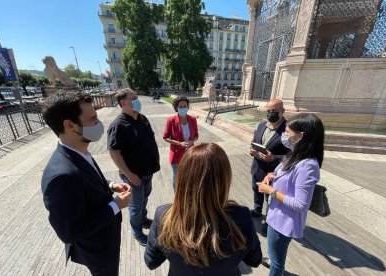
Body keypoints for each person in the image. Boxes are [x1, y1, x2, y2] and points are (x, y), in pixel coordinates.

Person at [41, 92, 132, 276]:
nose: (98, 123)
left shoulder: (77, 152)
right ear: (69, 125)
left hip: (104, 239)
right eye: (93, 118)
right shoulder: (62, 176)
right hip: (97, 250)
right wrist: (116, 205)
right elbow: (70, 232)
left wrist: (110, 185)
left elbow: (87, 181)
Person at [145, 143, 262, 275]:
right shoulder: (241, 217)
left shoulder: (163, 216)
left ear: (182, 178)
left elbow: (151, 261)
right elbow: (255, 260)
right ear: (224, 180)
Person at [257, 113, 325, 275]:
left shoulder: (308, 165)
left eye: (288, 132)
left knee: (277, 261)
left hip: (283, 222)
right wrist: (271, 176)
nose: (284, 136)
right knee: (274, 254)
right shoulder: (294, 153)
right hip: (276, 214)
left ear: (300, 135)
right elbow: (283, 174)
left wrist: (271, 191)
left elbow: (300, 204)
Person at [107, 89, 160, 246]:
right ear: (123, 103)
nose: (138, 101)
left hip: (147, 172)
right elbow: (114, 152)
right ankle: (137, 232)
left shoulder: (142, 118)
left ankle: (143, 221)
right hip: (133, 176)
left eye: (137, 97)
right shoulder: (118, 125)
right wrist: (129, 174)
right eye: (134, 98)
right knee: (135, 206)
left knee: (144, 200)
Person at [249, 99, 289, 235]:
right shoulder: (262, 125)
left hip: (274, 172)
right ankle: (257, 210)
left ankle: (269, 221)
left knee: (271, 198)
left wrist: (274, 158)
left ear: (282, 111)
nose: (270, 114)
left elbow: (292, 156)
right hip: (257, 167)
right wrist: (252, 149)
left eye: (274, 111)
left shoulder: (288, 130)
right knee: (256, 189)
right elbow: (254, 141)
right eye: (268, 111)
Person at [163, 96, 198, 189]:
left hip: (190, 153)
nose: (183, 108)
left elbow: (196, 136)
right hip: (176, 155)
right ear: (176, 108)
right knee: (177, 176)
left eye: (185, 106)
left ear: (188, 106)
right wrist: (180, 144)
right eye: (180, 106)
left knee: (190, 175)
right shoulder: (171, 120)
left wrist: (191, 141)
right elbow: (165, 137)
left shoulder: (193, 119)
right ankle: (177, 197)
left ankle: (188, 194)